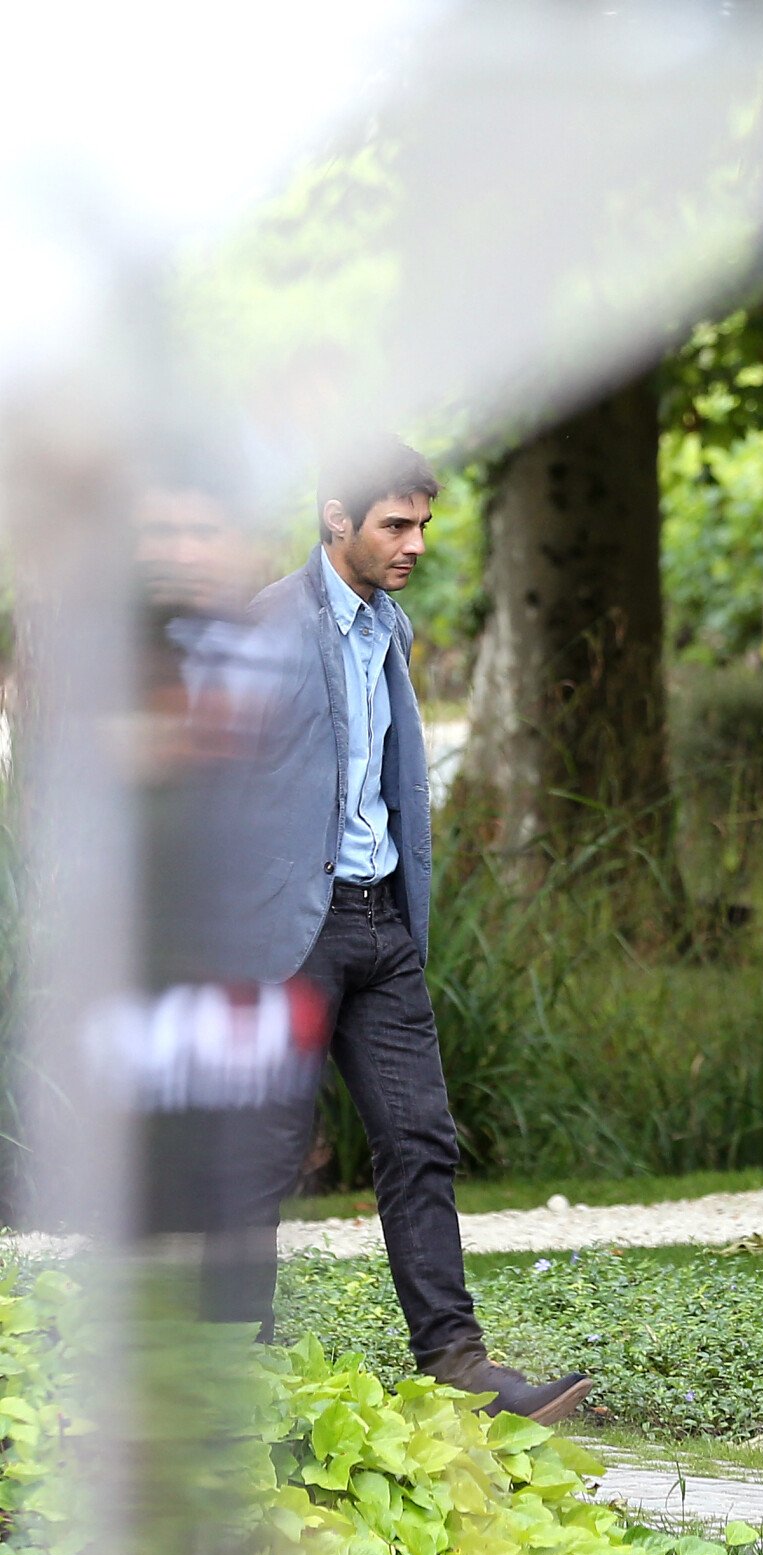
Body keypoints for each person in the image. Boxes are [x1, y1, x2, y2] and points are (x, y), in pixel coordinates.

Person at [205, 436, 591, 1424]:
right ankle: (224, 1368)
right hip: (288, 936)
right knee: (264, 1151)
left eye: (424, 523)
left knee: (421, 1139)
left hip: (382, 930)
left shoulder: (391, 627)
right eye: (396, 523)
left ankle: (457, 1362)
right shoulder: (270, 631)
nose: (415, 541)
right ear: (337, 518)